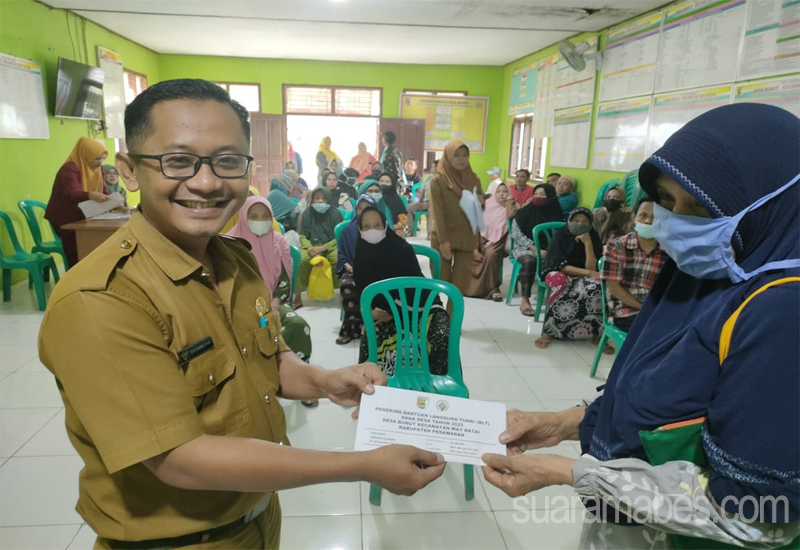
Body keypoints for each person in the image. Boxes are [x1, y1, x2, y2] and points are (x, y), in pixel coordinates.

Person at [39, 78, 444, 550]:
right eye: (178, 160)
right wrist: (362, 465)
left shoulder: (235, 259)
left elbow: (267, 359)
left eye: (228, 161)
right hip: (180, 541)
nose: (207, 182)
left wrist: (324, 381)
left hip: (258, 519)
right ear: (129, 170)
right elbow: (180, 459)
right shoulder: (101, 300)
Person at [480, 103, 800, 549]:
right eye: (667, 200)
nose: (677, 221)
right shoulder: (702, 270)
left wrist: (569, 472)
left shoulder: (781, 312)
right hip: (632, 519)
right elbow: (657, 398)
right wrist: (566, 423)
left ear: (772, 206)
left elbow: (760, 516)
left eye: (703, 208)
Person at [225, 197, 319, 408]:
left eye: (265, 216)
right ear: (243, 216)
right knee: (251, 332)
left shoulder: (278, 241)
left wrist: (274, 305)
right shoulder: (229, 243)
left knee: (297, 325)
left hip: (272, 301)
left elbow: (284, 279)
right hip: (240, 307)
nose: (260, 221)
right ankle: (257, 382)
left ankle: (301, 381)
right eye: (254, 216)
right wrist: (256, 309)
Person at [355, 206, 450, 377]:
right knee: (370, 336)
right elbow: (364, 294)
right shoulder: (361, 254)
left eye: (377, 225)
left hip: (420, 306)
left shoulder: (402, 249)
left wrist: (393, 312)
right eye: (366, 227)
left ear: (385, 226)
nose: (372, 231)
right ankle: (380, 387)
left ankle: (436, 384)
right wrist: (369, 315)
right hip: (382, 312)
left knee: (442, 330)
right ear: (360, 230)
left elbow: (415, 288)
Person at [535, 207, 605, 349]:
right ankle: (550, 331)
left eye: (585, 222)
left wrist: (588, 243)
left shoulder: (593, 236)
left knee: (598, 287)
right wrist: (588, 273)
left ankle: (596, 334)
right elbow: (558, 265)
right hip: (557, 271)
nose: (580, 224)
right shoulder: (560, 235)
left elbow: (592, 268)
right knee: (560, 282)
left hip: (583, 273)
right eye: (576, 221)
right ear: (569, 221)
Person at [428, 141, 485, 307]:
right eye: (457, 155)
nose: (462, 159)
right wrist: (443, 241)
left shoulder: (473, 179)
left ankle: (451, 319)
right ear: (448, 157)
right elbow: (438, 213)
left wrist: (480, 201)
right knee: (441, 280)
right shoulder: (437, 181)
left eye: (465, 155)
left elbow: (481, 203)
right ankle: (437, 314)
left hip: (466, 238)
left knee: (459, 285)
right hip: (443, 236)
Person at [601, 197, 668, 333]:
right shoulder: (616, 247)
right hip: (625, 311)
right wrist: (643, 308)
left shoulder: (669, 252)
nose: (648, 221)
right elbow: (614, 288)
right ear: (634, 217)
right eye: (643, 215)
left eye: (655, 217)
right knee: (656, 330)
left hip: (657, 310)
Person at [45, 137, 110, 267]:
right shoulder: (69, 169)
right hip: (65, 217)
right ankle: (76, 277)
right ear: (86, 155)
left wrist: (115, 204)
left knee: (94, 247)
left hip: (84, 215)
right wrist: (90, 194)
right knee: (75, 252)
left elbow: (103, 191)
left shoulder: (98, 169)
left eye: (103, 159)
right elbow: (72, 192)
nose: (100, 162)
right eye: (97, 159)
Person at [511, 183, 564, 317]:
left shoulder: (558, 213)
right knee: (530, 261)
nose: (538, 197)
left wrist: (550, 251)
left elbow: (561, 236)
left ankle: (561, 299)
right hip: (525, 248)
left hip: (549, 250)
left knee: (565, 262)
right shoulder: (524, 212)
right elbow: (517, 235)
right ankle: (525, 299)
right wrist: (536, 249)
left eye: (542, 194)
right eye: (535, 194)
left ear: (551, 197)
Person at [336, 195, 377, 345]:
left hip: (377, 271)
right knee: (348, 286)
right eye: (360, 208)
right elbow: (341, 253)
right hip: (353, 270)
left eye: (367, 208)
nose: (363, 211)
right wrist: (347, 266)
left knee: (378, 288)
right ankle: (350, 328)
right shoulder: (348, 230)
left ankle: (372, 327)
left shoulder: (381, 228)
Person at [294, 186, 344, 309]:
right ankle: (297, 297)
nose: (320, 201)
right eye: (317, 198)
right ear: (312, 200)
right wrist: (310, 248)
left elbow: (338, 237)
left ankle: (341, 294)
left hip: (330, 245)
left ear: (328, 199)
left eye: (323, 198)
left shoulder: (335, 213)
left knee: (337, 260)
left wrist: (324, 248)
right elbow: (302, 236)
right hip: (311, 246)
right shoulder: (307, 213)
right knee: (301, 261)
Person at [465, 182, 511, 302]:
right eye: (498, 191)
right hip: (480, 237)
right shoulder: (487, 204)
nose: (501, 194)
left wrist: (510, 202)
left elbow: (512, 216)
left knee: (491, 255)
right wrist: (475, 249)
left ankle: (492, 290)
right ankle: (468, 286)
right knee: (467, 253)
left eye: (505, 191)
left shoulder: (511, 206)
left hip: (498, 241)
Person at [405, 160, 437, 238]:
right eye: (432, 167)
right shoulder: (429, 178)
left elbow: (438, 197)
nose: (432, 168)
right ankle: (411, 230)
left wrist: (429, 204)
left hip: (434, 204)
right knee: (408, 208)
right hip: (424, 202)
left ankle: (430, 233)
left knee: (431, 211)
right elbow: (422, 191)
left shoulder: (442, 180)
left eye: (434, 167)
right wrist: (419, 202)